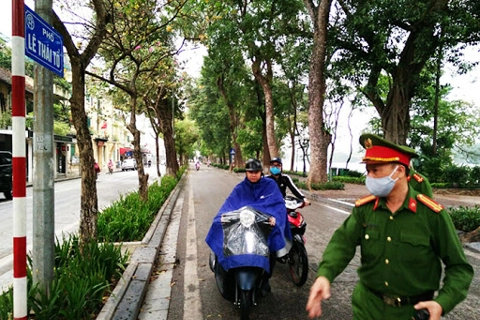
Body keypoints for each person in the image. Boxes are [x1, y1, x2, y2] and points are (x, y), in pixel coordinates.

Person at [306, 133, 473, 320]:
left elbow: (460, 268)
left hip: (412, 312)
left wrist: (442, 303)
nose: (369, 177)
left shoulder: (432, 215)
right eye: (367, 171)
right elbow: (342, 244)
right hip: (367, 308)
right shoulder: (365, 209)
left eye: (375, 170)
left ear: (400, 171)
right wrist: (325, 275)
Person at [205, 159, 290, 295]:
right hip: (243, 224)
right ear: (246, 172)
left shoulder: (270, 185)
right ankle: (225, 270)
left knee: (271, 248)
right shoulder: (240, 188)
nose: (253, 174)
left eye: (256, 172)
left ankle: (265, 279)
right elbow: (229, 204)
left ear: (261, 172)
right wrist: (221, 217)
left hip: (264, 225)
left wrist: (274, 217)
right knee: (222, 236)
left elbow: (278, 205)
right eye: (250, 172)